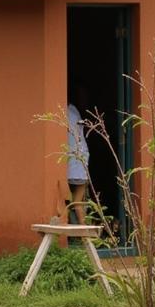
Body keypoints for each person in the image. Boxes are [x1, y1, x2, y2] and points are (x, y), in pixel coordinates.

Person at [66, 87, 91, 226]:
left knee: (72, 200)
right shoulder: (73, 112)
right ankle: (85, 234)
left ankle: (80, 233)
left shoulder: (72, 111)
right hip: (77, 159)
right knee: (77, 201)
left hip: (74, 158)